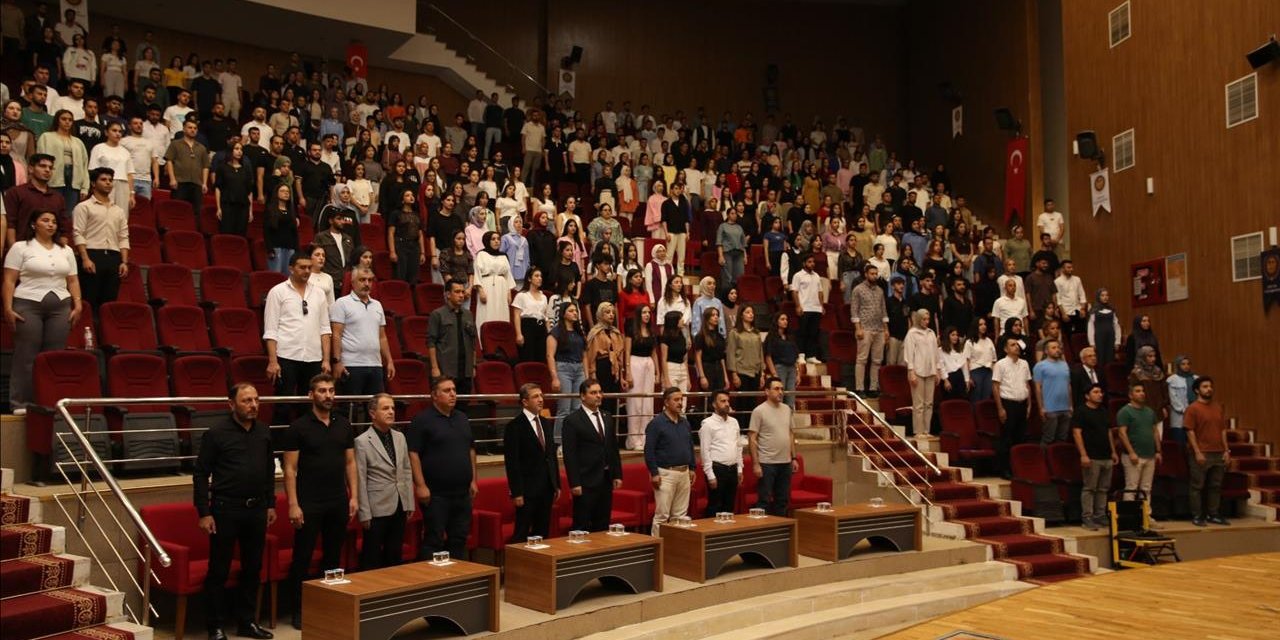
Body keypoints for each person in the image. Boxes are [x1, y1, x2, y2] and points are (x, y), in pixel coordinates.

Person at [192, 383, 276, 640]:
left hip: (257, 509)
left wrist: (270, 503)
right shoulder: (216, 433)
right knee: (219, 570)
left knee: (252, 567)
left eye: (256, 400)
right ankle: (214, 627)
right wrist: (204, 512)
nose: (253, 405)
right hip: (225, 509)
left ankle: (246, 622)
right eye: (246, 401)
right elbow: (200, 473)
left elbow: (269, 471)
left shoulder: (263, 432)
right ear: (231, 404)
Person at [280, 374, 356, 630]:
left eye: (331, 390)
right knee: (302, 557)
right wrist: (293, 503)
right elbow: (290, 469)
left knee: (333, 557)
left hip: (337, 499)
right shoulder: (298, 427)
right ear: (311, 395)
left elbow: (350, 463)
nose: (328, 395)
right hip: (309, 501)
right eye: (322, 391)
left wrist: (354, 495)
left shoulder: (344, 424)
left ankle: (330, 605)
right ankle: (299, 610)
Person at [4, 209, 81, 418]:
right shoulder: (21, 248)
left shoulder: (64, 249)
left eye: (54, 222)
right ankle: (21, 402)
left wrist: (78, 305)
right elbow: (10, 280)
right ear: (33, 224)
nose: (50, 225)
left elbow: (73, 280)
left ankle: (49, 401)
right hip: (28, 302)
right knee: (26, 355)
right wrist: (8, 308)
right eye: (45, 220)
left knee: (53, 357)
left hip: (60, 305)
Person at [407, 376, 478, 559]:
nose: (453, 394)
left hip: (462, 493)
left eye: (454, 390)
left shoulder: (462, 418)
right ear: (434, 395)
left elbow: (470, 449)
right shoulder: (422, 420)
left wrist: (473, 480)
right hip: (436, 494)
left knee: (459, 538)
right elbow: (413, 454)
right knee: (434, 540)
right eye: (447, 391)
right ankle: (432, 583)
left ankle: (457, 580)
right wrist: (420, 485)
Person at [263, 252, 331, 412]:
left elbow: (325, 329)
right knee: (283, 405)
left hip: (314, 357)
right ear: (291, 268)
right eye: (302, 267)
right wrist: (273, 361)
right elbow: (271, 330)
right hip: (287, 356)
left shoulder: (319, 293)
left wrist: (326, 360)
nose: (307, 271)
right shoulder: (277, 291)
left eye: (309, 267)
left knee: (309, 406)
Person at [354, 393, 413, 569]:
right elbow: (360, 479)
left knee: (394, 554)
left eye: (393, 408)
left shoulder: (400, 437)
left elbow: (406, 470)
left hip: (400, 504)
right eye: (385, 408)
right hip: (376, 507)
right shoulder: (362, 441)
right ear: (372, 414)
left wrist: (409, 502)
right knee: (372, 556)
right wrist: (364, 512)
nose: (391, 412)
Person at [562, 379, 624, 532]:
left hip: (605, 478)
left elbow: (613, 448)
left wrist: (617, 474)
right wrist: (574, 483)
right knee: (581, 524)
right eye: (593, 393)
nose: (598, 396)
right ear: (583, 396)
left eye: (600, 392)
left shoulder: (607, 416)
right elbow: (570, 455)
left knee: (603, 523)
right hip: (585, 480)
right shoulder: (572, 420)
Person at [504, 383, 560, 541]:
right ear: (524, 402)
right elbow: (512, 463)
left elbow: (551, 456)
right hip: (527, 490)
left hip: (546, 488)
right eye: (536, 396)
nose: (541, 400)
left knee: (542, 531)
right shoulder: (514, 427)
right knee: (521, 532)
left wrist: (556, 484)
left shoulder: (546, 423)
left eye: (541, 396)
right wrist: (517, 492)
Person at [330, 266, 395, 396]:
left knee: (375, 410)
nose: (367, 284)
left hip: (375, 364)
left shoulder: (377, 305)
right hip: (351, 364)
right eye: (362, 280)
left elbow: (382, 337)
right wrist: (337, 362)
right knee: (349, 409)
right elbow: (336, 335)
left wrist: (390, 361)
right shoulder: (342, 303)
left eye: (370, 280)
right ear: (353, 282)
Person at [72, 167, 129, 309]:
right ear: (93, 183)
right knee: (89, 300)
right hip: (92, 255)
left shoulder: (119, 210)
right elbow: (78, 233)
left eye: (110, 180)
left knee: (109, 303)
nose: (108, 183)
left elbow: (123, 236)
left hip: (113, 257)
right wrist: (85, 258)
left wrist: (124, 262)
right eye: (103, 180)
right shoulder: (83, 207)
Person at [645, 387, 696, 534]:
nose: (680, 403)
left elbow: (690, 446)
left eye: (681, 399)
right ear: (666, 402)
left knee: (680, 516)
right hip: (665, 474)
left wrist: (692, 468)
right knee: (662, 515)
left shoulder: (685, 423)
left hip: (684, 472)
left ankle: (674, 551)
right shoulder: (656, 423)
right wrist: (654, 473)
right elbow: (649, 451)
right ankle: (658, 550)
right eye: (676, 400)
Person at [1184, 377, 1230, 527]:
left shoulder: (1217, 407)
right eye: (1205, 386)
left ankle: (1213, 514)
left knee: (1216, 485)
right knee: (1197, 485)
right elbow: (1190, 431)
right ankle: (1197, 515)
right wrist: (1197, 452)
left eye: (1210, 386)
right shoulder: (1193, 408)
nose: (1209, 389)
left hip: (1218, 452)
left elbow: (1223, 430)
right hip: (1201, 452)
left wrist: (1226, 450)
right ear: (1197, 390)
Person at [749, 377, 797, 516]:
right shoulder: (759, 411)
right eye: (776, 389)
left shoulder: (787, 409)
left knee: (782, 500)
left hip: (785, 462)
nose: (780, 392)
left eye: (782, 389)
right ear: (767, 391)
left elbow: (790, 433)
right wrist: (756, 464)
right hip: (767, 463)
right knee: (764, 500)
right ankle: (762, 533)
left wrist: (793, 458)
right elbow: (752, 438)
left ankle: (781, 533)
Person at [1072, 384, 1116, 530]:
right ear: (1087, 395)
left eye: (1101, 392)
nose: (1100, 394)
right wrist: (1083, 454)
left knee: (1103, 488)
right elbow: (1077, 433)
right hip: (1092, 456)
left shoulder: (1103, 411)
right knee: (1089, 488)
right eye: (1095, 392)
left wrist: (1113, 451)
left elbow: (1109, 432)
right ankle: (1087, 517)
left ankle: (1100, 515)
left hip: (1106, 455)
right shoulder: (1081, 411)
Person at [1116, 383, 1162, 512]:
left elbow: (1155, 431)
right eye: (1137, 391)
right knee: (1132, 487)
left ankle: (1146, 517)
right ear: (1130, 395)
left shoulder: (1149, 411)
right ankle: (1130, 517)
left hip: (1150, 455)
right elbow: (1122, 433)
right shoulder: (1125, 411)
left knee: (1146, 489)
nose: (1142, 393)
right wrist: (1131, 452)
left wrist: (1158, 450)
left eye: (1142, 391)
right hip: (1133, 455)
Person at [428, 280, 478, 396]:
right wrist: (435, 368)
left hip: (466, 370)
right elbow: (431, 343)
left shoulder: (468, 314)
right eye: (457, 292)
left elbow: (473, 342)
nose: (461, 295)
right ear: (448, 294)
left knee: (463, 406)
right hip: (447, 370)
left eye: (462, 292)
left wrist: (473, 366)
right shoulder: (438, 314)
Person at [992, 339, 1032, 478]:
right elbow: (996, 387)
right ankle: (1004, 469)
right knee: (1006, 438)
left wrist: (1029, 405)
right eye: (1012, 345)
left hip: (1022, 403)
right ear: (1005, 349)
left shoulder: (1024, 363)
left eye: (1017, 344)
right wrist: (1000, 408)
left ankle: (1019, 469)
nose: (1016, 347)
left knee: (1020, 438)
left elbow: (1027, 385)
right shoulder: (1000, 364)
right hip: (1008, 403)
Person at [700, 389, 743, 517]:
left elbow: (738, 446)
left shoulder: (734, 422)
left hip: (732, 469)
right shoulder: (708, 424)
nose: (727, 404)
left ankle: (726, 535)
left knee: (729, 506)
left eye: (728, 401)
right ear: (714, 404)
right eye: (723, 401)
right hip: (717, 469)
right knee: (715, 506)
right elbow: (704, 451)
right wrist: (710, 475)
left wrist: (740, 468)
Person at [548, 300, 587, 441]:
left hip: (579, 369)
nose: (575, 313)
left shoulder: (579, 332)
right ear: (563, 314)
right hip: (563, 368)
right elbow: (550, 355)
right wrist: (554, 377)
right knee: (564, 408)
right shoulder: (556, 331)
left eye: (576, 311)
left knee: (577, 408)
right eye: (571, 311)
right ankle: (559, 441)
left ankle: (574, 440)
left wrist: (586, 375)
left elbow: (584, 355)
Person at [624, 305, 660, 451]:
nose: (647, 315)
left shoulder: (651, 331)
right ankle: (633, 439)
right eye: (644, 312)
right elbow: (626, 351)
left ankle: (646, 438)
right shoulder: (632, 330)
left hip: (648, 364)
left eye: (648, 312)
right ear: (639, 314)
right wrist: (627, 371)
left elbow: (654, 353)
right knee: (635, 403)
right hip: (634, 362)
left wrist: (657, 372)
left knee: (647, 403)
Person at [851, 263, 888, 396]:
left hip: (879, 329)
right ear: (866, 274)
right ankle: (859, 388)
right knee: (862, 359)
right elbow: (854, 310)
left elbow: (884, 311)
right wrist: (858, 328)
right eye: (872, 274)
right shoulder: (858, 289)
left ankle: (873, 388)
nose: (874, 276)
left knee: (877, 360)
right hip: (864, 328)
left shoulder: (880, 290)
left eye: (876, 274)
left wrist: (886, 329)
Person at [903, 309, 940, 438]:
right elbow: (909, 354)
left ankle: (926, 430)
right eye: (923, 319)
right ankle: (918, 431)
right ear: (918, 319)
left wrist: (937, 370)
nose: (926, 322)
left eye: (928, 319)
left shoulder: (931, 333)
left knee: (929, 403)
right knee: (918, 404)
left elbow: (936, 354)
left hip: (930, 371)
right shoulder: (912, 334)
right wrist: (911, 371)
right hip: (917, 371)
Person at [163, 119, 210, 219]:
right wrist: (172, 179)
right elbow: (169, 161)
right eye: (190, 127)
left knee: (196, 212)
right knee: (177, 209)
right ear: (184, 129)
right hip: (180, 182)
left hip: (197, 184)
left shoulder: (202, 147)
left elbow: (205, 166)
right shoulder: (175, 144)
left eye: (195, 128)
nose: (193, 130)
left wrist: (204, 183)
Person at [727, 305, 765, 420]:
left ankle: (750, 430)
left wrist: (762, 373)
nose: (751, 314)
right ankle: (741, 430)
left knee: (753, 404)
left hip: (755, 372)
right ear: (741, 315)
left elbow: (760, 353)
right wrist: (734, 374)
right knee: (742, 404)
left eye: (752, 312)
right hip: (742, 372)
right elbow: (731, 353)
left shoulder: (756, 333)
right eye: (748, 312)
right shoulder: (735, 332)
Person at [1033, 339, 1073, 446]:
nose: (1057, 350)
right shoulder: (1040, 366)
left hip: (1065, 407)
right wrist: (1041, 407)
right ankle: (1043, 460)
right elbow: (1037, 388)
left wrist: (1071, 405)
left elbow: (1068, 386)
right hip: (1050, 408)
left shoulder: (1064, 364)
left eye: (1058, 347)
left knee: (1062, 438)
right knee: (1048, 438)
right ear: (1046, 351)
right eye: (1053, 348)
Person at [791, 253, 825, 363]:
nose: (812, 264)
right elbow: (795, 292)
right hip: (804, 307)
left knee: (813, 333)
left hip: (816, 308)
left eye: (813, 262)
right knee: (802, 332)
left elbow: (820, 292)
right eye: (809, 262)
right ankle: (801, 355)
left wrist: (821, 305)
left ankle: (811, 355)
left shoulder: (816, 276)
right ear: (804, 263)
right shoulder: (798, 275)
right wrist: (798, 306)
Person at [1129, 345, 1169, 435]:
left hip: (1158, 410)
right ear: (1142, 357)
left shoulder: (1158, 371)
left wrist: (1164, 406)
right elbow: (1133, 393)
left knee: (1159, 439)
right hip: (1142, 410)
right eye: (1149, 356)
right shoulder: (1136, 373)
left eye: (1154, 356)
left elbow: (1164, 391)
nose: (1153, 359)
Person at [387, 189, 425, 284]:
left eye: (412, 195)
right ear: (402, 200)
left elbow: (420, 234)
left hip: (415, 246)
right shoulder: (396, 214)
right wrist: (392, 251)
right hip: (401, 245)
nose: (411, 197)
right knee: (401, 275)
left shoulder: (417, 215)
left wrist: (423, 252)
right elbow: (391, 233)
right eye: (407, 195)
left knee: (414, 277)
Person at [764, 312, 800, 409]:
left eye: (786, 319)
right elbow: (768, 356)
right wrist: (774, 373)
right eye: (782, 319)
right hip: (780, 367)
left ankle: (789, 419)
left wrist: (798, 373)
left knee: (791, 395)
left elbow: (795, 356)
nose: (785, 322)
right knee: (779, 396)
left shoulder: (790, 336)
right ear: (777, 321)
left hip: (791, 368)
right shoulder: (771, 337)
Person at [313, 207, 353, 286]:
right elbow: (317, 257)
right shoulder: (321, 237)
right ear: (331, 221)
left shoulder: (348, 238)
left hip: (345, 280)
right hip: (329, 279)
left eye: (343, 219)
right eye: (338, 219)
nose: (342, 222)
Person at [1166, 355, 1197, 446]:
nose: (1186, 366)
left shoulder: (1196, 378)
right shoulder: (1172, 379)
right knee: (1180, 444)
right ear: (1178, 365)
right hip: (1179, 416)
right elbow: (1173, 398)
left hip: (1194, 414)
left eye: (1188, 364)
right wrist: (1184, 410)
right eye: (1183, 364)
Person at [1087, 288, 1121, 365]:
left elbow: (1116, 325)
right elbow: (1091, 326)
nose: (1105, 297)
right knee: (1100, 359)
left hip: (1110, 337)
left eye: (1107, 295)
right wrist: (1092, 342)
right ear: (1098, 297)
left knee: (1110, 358)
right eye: (1102, 295)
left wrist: (1117, 341)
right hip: (1099, 338)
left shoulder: (1112, 310)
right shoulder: (1094, 310)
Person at [966, 317, 997, 402]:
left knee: (986, 397)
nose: (983, 326)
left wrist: (994, 374)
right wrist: (968, 377)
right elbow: (966, 361)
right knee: (976, 397)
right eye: (980, 324)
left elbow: (994, 359)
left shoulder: (989, 341)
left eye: (984, 324)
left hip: (988, 371)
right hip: (976, 371)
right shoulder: (969, 342)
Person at [717, 205, 747, 284]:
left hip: (739, 253)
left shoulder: (739, 227)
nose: (734, 215)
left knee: (740, 275)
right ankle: (727, 294)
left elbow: (743, 243)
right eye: (732, 213)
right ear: (728, 215)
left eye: (735, 214)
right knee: (728, 276)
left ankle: (736, 293)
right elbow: (719, 242)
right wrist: (720, 256)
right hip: (728, 252)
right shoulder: (722, 226)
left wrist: (745, 256)